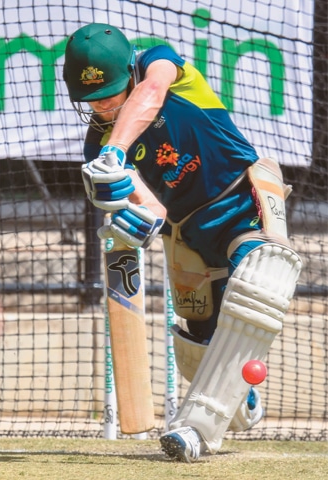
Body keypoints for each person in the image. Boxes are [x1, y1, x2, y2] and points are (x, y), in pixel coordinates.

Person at [63, 23, 302, 462]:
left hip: (242, 202)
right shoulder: (97, 145)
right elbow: (152, 206)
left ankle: (198, 427)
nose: (100, 106)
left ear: (129, 75)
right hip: (188, 233)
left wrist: (114, 151)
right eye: (90, 99)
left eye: (109, 93)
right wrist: (135, 221)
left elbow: (153, 90)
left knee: (259, 281)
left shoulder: (160, 64)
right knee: (199, 350)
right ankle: (239, 403)